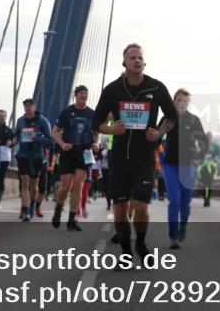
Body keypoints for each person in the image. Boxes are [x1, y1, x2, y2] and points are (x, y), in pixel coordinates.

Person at [93, 44, 178, 265]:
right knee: (120, 209)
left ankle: (141, 243)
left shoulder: (156, 88)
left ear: (144, 62)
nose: (137, 61)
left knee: (141, 205)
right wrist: (111, 130)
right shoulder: (112, 90)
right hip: (119, 157)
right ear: (125, 62)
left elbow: (171, 116)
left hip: (144, 157)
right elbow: (96, 122)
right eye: (132, 58)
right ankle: (126, 253)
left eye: (140, 57)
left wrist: (158, 133)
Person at [162, 88, 208, 248]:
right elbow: (155, 138)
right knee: (174, 200)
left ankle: (183, 226)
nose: (182, 103)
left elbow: (203, 141)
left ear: (189, 104)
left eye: (185, 101)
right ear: (174, 101)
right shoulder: (167, 119)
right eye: (179, 100)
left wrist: (199, 158)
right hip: (170, 165)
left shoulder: (194, 120)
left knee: (185, 203)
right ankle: (173, 236)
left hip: (188, 166)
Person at [52, 86, 97, 231]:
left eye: (86, 93)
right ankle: (58, 209)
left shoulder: (92, 113)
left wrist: (95, 143)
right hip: (69, 151)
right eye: (81, 93)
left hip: (84, 152)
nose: (84, 95)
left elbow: (96, 132)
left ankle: (71, 220)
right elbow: (55, 131)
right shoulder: (67, 112)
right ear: (75, 96)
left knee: (78, 185)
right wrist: (62, 143)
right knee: (66, 187)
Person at [13, 98, 53, 221]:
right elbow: (17, 136)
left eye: (30, 105)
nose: (28, 108)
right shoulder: (20, 121)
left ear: (35, 107)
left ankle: (32, 207)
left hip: (36, 155)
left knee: (34, 184)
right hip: (23, 154)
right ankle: (24, 209)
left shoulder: (43, 121)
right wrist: (12, 142)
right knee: (24, 181)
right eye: (25, 106)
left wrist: (36, 137)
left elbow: (49, 141)